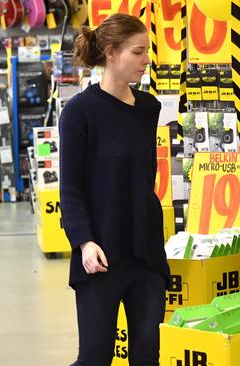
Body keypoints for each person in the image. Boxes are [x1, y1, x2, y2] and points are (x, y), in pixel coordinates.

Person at [60, 13, 170, 366]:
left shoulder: (149, 108)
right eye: (138, 52)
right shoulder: (79, 113)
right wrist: (84, 241)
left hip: (146, 253)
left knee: (146, 356)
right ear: (110, 52)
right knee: (94, 357)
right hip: (100, 256)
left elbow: (143, 177)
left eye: (147, 51)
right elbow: (71, 187)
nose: (146, 60)